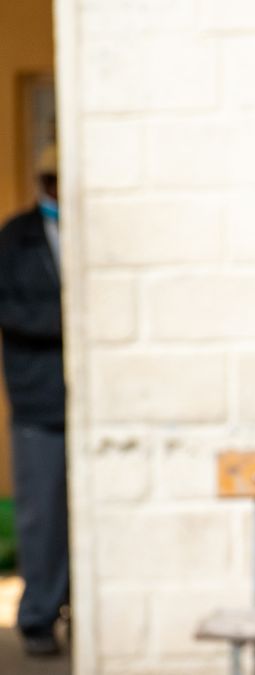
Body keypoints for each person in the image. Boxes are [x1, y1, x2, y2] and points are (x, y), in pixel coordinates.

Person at [0, 143, 69, 657]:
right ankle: (38, 617)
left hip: (84, 403)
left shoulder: (87, 233)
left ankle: (72, 606)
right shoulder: (16, 238)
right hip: (37, 399)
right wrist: (65, 322)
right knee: (42, 515)